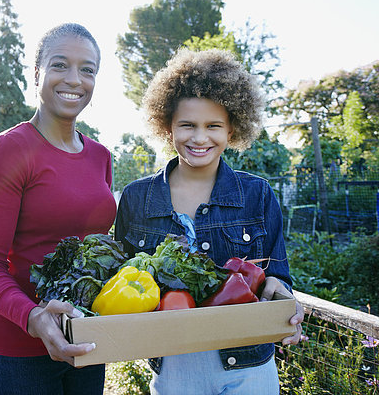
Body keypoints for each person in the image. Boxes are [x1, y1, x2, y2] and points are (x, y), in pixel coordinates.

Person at [114, 48, 305, 395]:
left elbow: (278, 277)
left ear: (232, 130)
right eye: (187, 125)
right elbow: (122, 280)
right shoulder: (136, 198)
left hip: (250, 366)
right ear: (167, 126)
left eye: (213, 126)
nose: (200, 138)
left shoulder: (257, 195)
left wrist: (283, 300)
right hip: (174, 367)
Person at [0, 23, 116, 395]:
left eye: (88, 69)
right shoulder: (10, 150)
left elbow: (97, 249)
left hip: (84, 341)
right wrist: (33, 317)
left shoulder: (100, 156)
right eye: (59, 65)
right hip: (17, 352)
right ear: (37, 74)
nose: (74, 79)